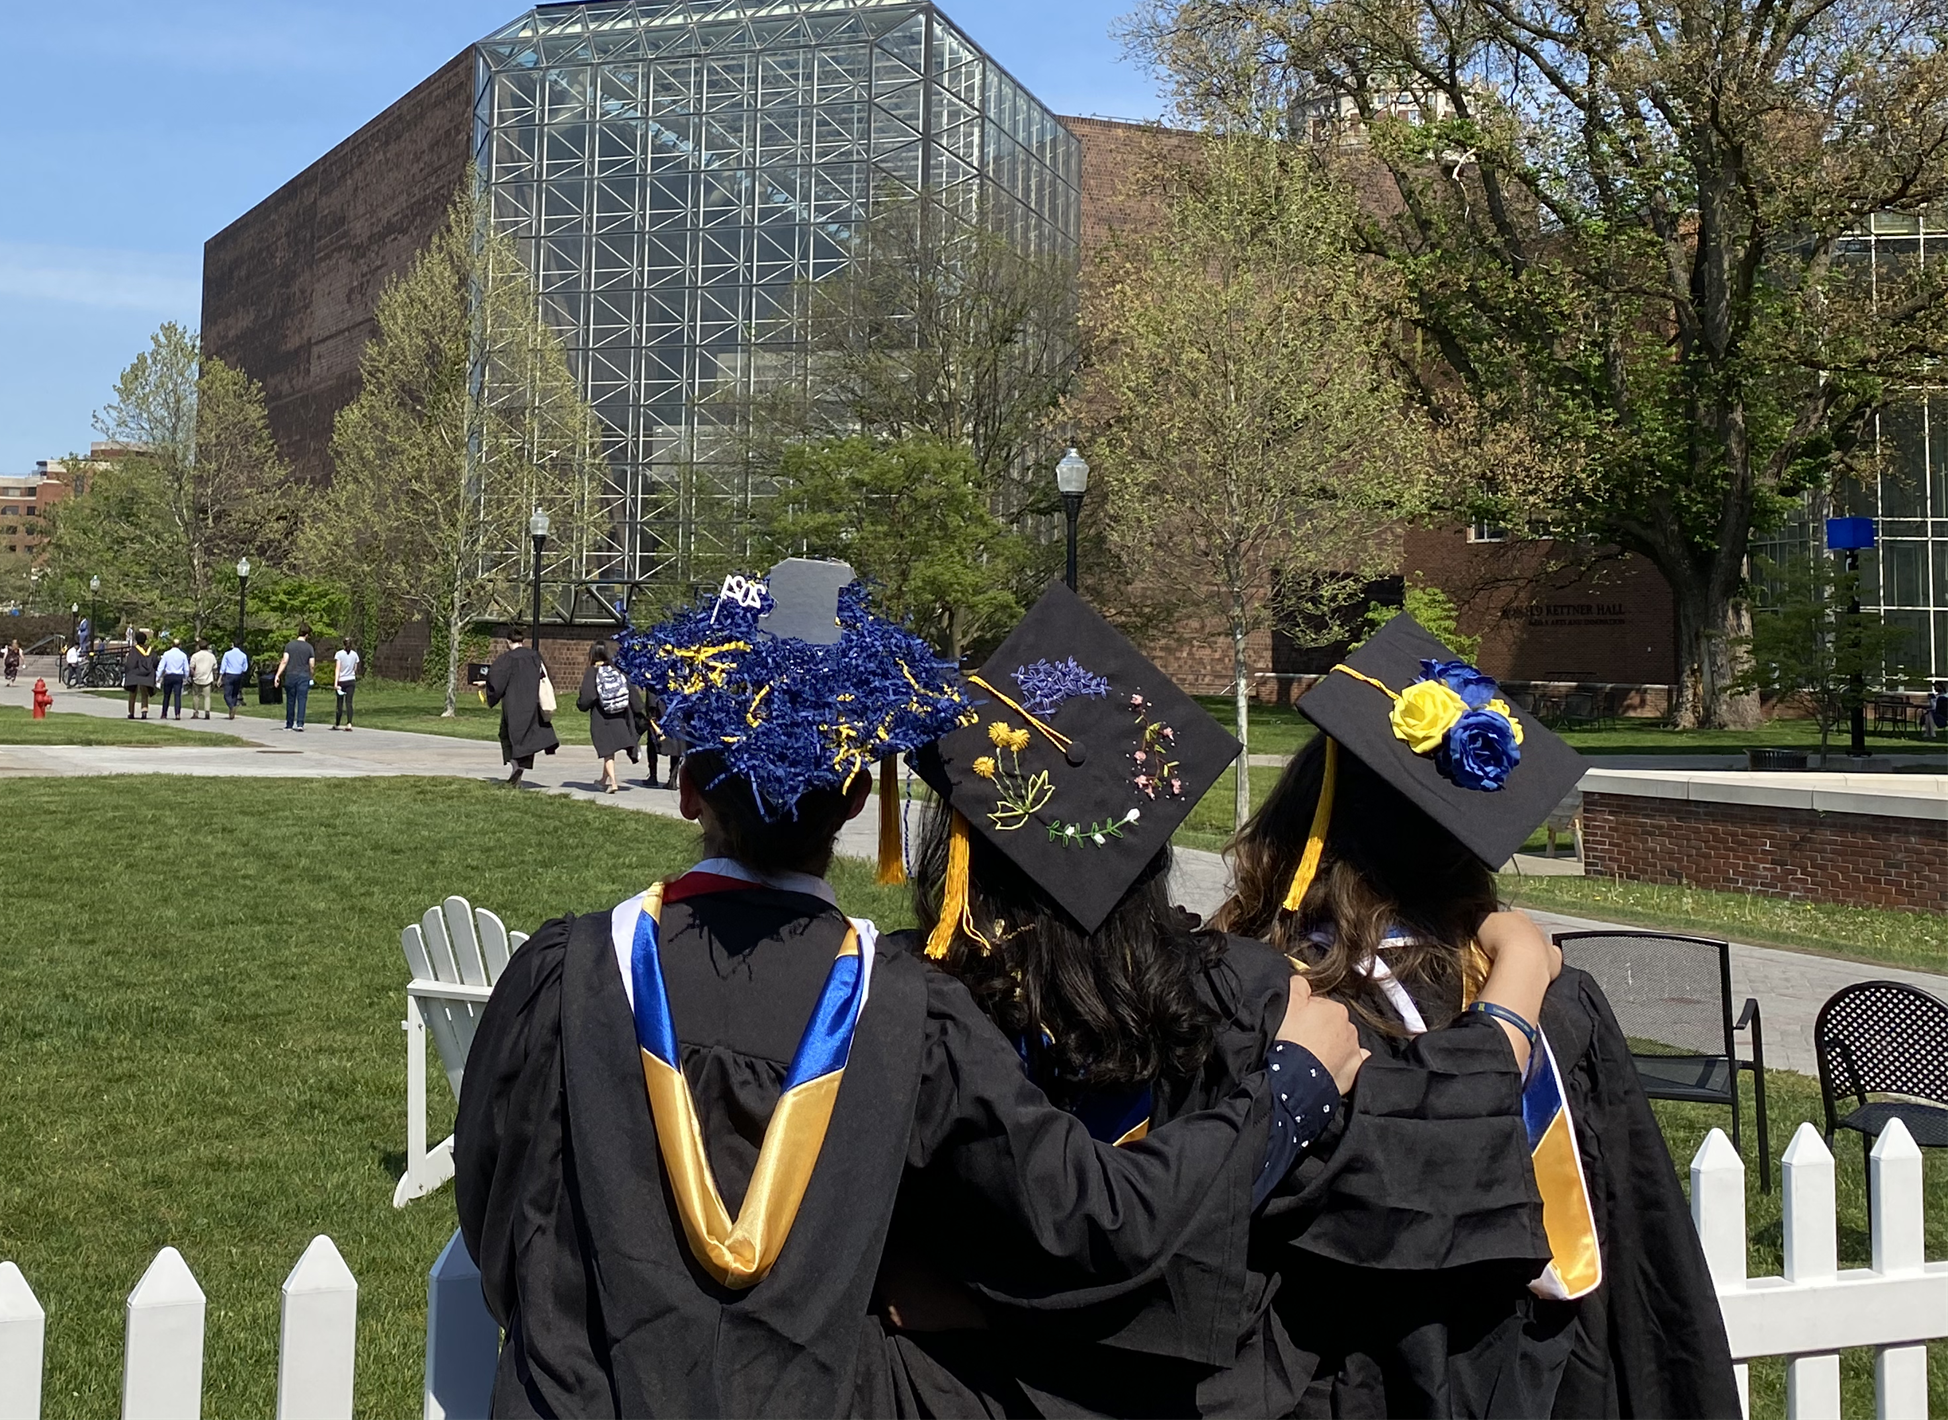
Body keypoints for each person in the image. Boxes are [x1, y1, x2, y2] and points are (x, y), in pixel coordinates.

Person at [456, 559, 1364, 1420]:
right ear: (859, 802)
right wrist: (1290, 1090)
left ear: (688, 787)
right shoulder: (905, 1012)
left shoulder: (563, 973)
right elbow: (1096, 1216)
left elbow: (497, 1211)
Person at [892, 583, 1559, 1419]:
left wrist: (969, 1299)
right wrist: (1512, 1001)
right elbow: (1421, 1147)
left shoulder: (903, 1005)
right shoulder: (1242, 999)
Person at [1217, 614, 1740, 1420]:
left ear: (1304, 824)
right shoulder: (1547, 998)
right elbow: (1643, 1265)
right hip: (1530, 1375)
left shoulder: (1259, 998)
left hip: (1315, 1382)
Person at [479, 625, 558, 785]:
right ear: (522, 641)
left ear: (508, 641)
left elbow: (496, 683)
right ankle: (520, 770)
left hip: (513, 706)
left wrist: (485, 686)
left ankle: (516, 767)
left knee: (507, 736)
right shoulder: (535, 657)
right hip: (532, 704)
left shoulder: (506, 660)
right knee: (527, 737)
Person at [575, 639, 640, 791]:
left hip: (601, 715)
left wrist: (580, 704)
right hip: (618, 714)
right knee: (609, 751)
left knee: (607, 750)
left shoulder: (593, 671)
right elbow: (629, 688)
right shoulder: (615, 669)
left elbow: (588, 696)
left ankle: (613, 782)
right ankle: (603, 780)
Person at [278, 625, 317, 731]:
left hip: (291, 675)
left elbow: (284, 660)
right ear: (307, 635)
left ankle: (289, 724)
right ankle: (300, 723)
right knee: (302, 699)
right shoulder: (309, 647)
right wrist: (311, 676)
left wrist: (278, 675)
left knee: (290, 700)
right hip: (303, 676)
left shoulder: (289, 645)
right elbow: (311, 664)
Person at [126, 631, 157, 720]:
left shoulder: (134, 650)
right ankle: (144, 711)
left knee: (132, 693)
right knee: (144, 693)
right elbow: (155, 662)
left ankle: (131, 713)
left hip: (135, 674)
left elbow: (130, 663)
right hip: (146, 675)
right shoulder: (150, 650)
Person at [331, 637, 361, 730]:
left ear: (343, 644)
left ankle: (337, 723)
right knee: (349, 702)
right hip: (351, 680)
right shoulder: (354, 655)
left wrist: (335, 683)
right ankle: (349, 723)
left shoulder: (339, 654)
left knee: (339, 703)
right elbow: (355, 668)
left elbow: (338, 669)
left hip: (341, 681)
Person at [219, 638, 249, 718]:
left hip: (229, 674)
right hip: (238, 675)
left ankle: (231, 707)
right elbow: (245, 667)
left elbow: (223, 666)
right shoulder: (243, 655)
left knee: (227, 694)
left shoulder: (227, 654)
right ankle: (232, 709)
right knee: (235, 694)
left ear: (233, 644)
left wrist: (220, 677)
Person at [192, 640, 220, 718]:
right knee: (207, 696)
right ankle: (207, 711)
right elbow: (215, 667)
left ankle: (196, 712)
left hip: (197, 678)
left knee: (196, 696)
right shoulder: (211, 656)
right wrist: (215, 677)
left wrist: (193, 674)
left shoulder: (195, 655)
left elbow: (191, 667)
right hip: (207, 678)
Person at [161, 636, 187, 717]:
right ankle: (177, 713)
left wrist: (158, 677)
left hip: (168, 675)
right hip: (178, 676)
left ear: (172, 645)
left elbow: (161, 666)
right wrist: (186, 677)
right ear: (180, 645)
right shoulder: (183, 655)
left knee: (166, 696)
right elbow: (186, 668)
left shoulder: (166, 654)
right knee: (177, 695)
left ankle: (164, 713)